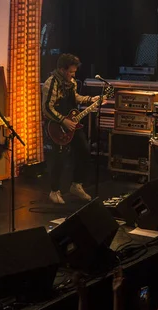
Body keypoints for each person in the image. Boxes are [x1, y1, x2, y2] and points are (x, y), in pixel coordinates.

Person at [41, 53, 100, 204]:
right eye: (71, 71)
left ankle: (76, 184)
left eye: (74, 71)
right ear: (61, 69)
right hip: (56, 126)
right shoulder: (51, 83)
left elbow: (75, 98)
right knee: (59, 159)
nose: (73, 74)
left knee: (84, 151)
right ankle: (54, 191)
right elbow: (47, 108)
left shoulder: (71, 83)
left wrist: (90, 100)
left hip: (72, 123)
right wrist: (63, 121)